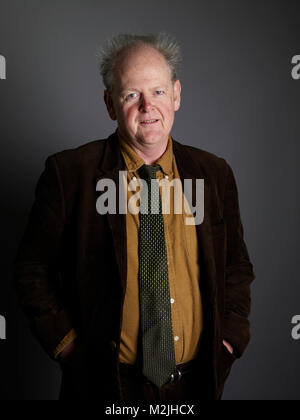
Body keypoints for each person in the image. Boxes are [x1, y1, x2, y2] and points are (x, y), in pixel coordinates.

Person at [13, 33, 255, 401]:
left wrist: (229, 341)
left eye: (158, 92)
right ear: (110, 104)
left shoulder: (214, 174)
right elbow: (31, 268)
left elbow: (236, 265)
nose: (147, 106)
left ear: (176, 94)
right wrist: (68, 347)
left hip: (195, 385)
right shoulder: (69, 174)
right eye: (131, 95)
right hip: (105, 385)